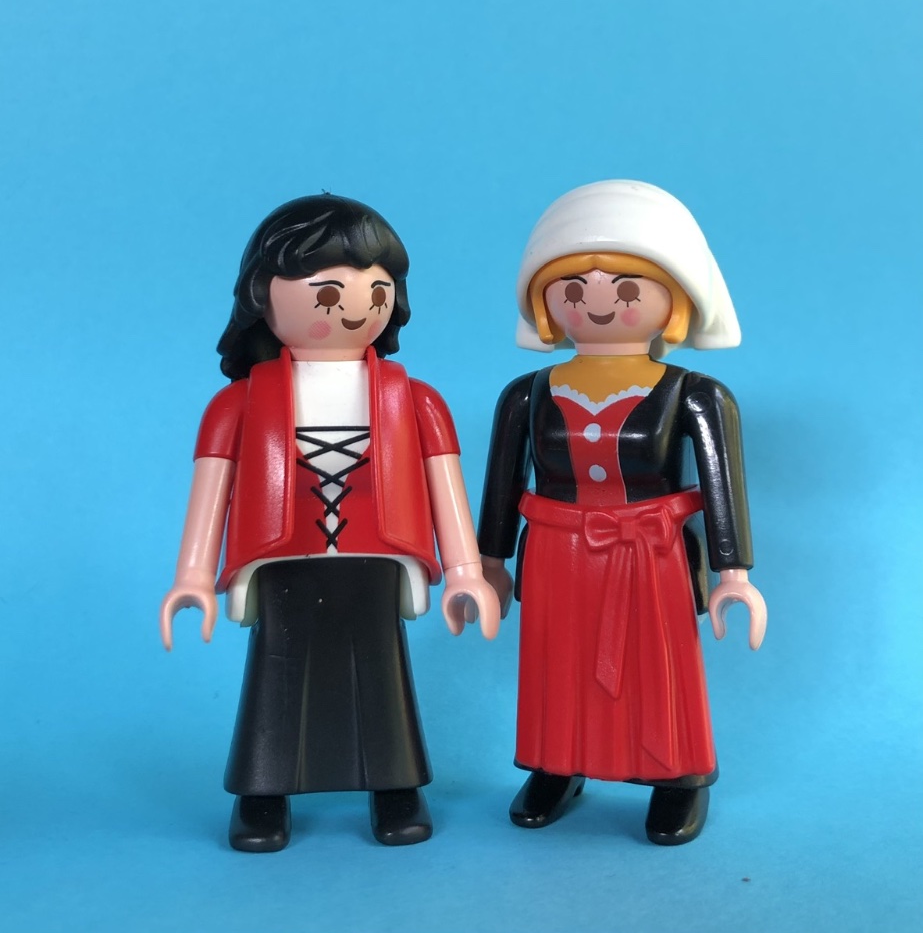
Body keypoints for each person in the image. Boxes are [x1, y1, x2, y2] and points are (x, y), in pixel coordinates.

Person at [161, 194, 499, 851]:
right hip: (280, 558)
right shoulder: (237, 405)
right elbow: (211, 493)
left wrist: (464, 571)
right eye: (327, 293)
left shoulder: (416, 400)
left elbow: (445, 488)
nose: (355, 307)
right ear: (262, 295)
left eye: (377, 290)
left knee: (381, 673)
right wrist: (194, 576)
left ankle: (395, 786)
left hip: (379, 556)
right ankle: (264, 793)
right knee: (277, 673)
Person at [478, 180, 766, 845]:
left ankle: (677, 777)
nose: (599, 303)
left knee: (658, 666)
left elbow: (722, 487)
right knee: (557, 665)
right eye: (574, 288)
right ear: (545, 302)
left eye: (628, 288)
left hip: (649, 555)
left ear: (675, 299)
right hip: (554, 555)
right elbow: (501, 484)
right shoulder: (527, 393)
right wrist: (487, 565)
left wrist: (733, 576)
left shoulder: (694, 393)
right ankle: (557, 764)